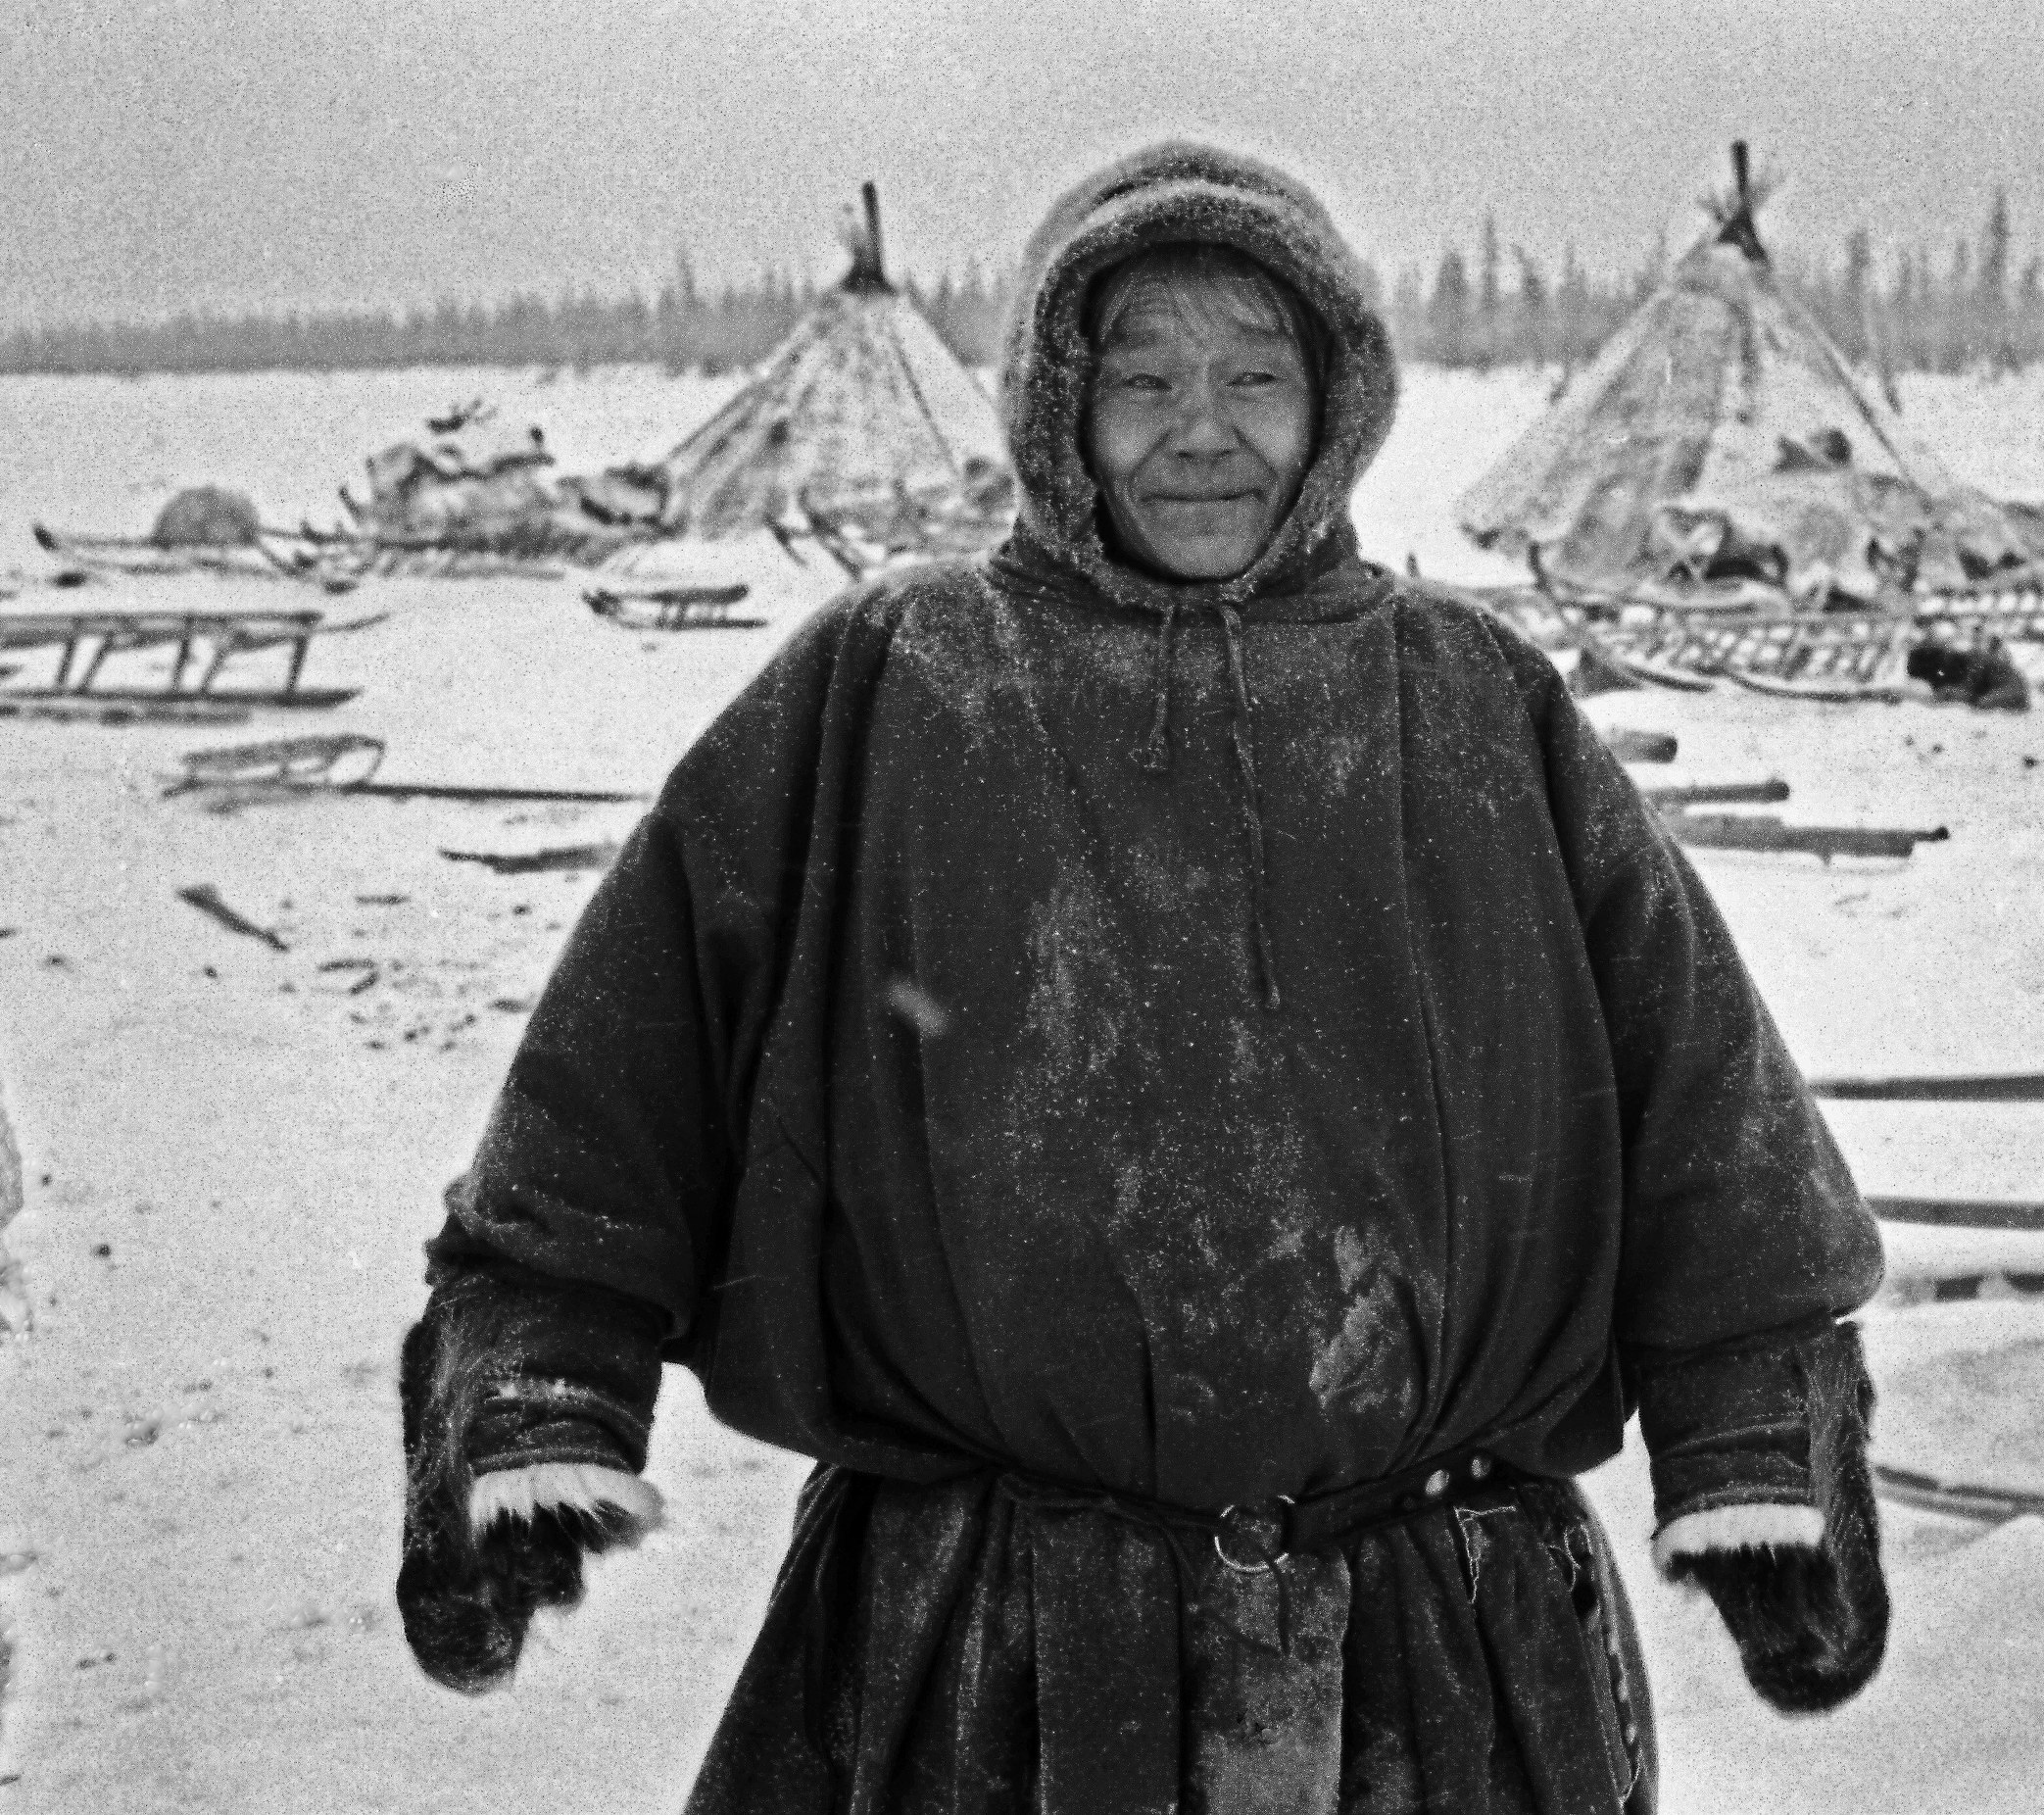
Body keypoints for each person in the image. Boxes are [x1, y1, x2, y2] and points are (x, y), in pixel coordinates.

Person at [398, 142, 1888, 1815]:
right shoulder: (902, 683)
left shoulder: (1476, 707)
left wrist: (1760, 1432)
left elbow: (1702, 1092)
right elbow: (631, 1051)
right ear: (1056, 402)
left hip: (1442, 1660)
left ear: (1335, 404)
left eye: (1256, 376)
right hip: (981, 1661)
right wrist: (533, 1373)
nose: (1203, 428)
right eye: (1146, 377)